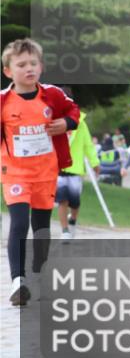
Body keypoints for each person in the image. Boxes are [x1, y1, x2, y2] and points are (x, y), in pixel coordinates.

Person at [1, 38, 80, 305]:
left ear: (41, 66)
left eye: (33, 63)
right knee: (20, 223)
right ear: (8, 71)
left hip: (45, 173)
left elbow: (73, 110)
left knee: (42, 227)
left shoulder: (52, 94)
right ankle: (17, 281)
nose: (28, 68)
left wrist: (65, 122)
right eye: (21, 64)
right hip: (15, 173)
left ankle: (40, 272)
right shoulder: (3, 101)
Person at [55, 88, 99, 242]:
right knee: (62, 200)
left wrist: (95, 163)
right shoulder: (52, 121)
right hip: (58, 169)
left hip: (75, 168)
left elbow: (88, 145)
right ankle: (65, 230)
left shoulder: (80, 123)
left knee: (74, 202)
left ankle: (73, 219)